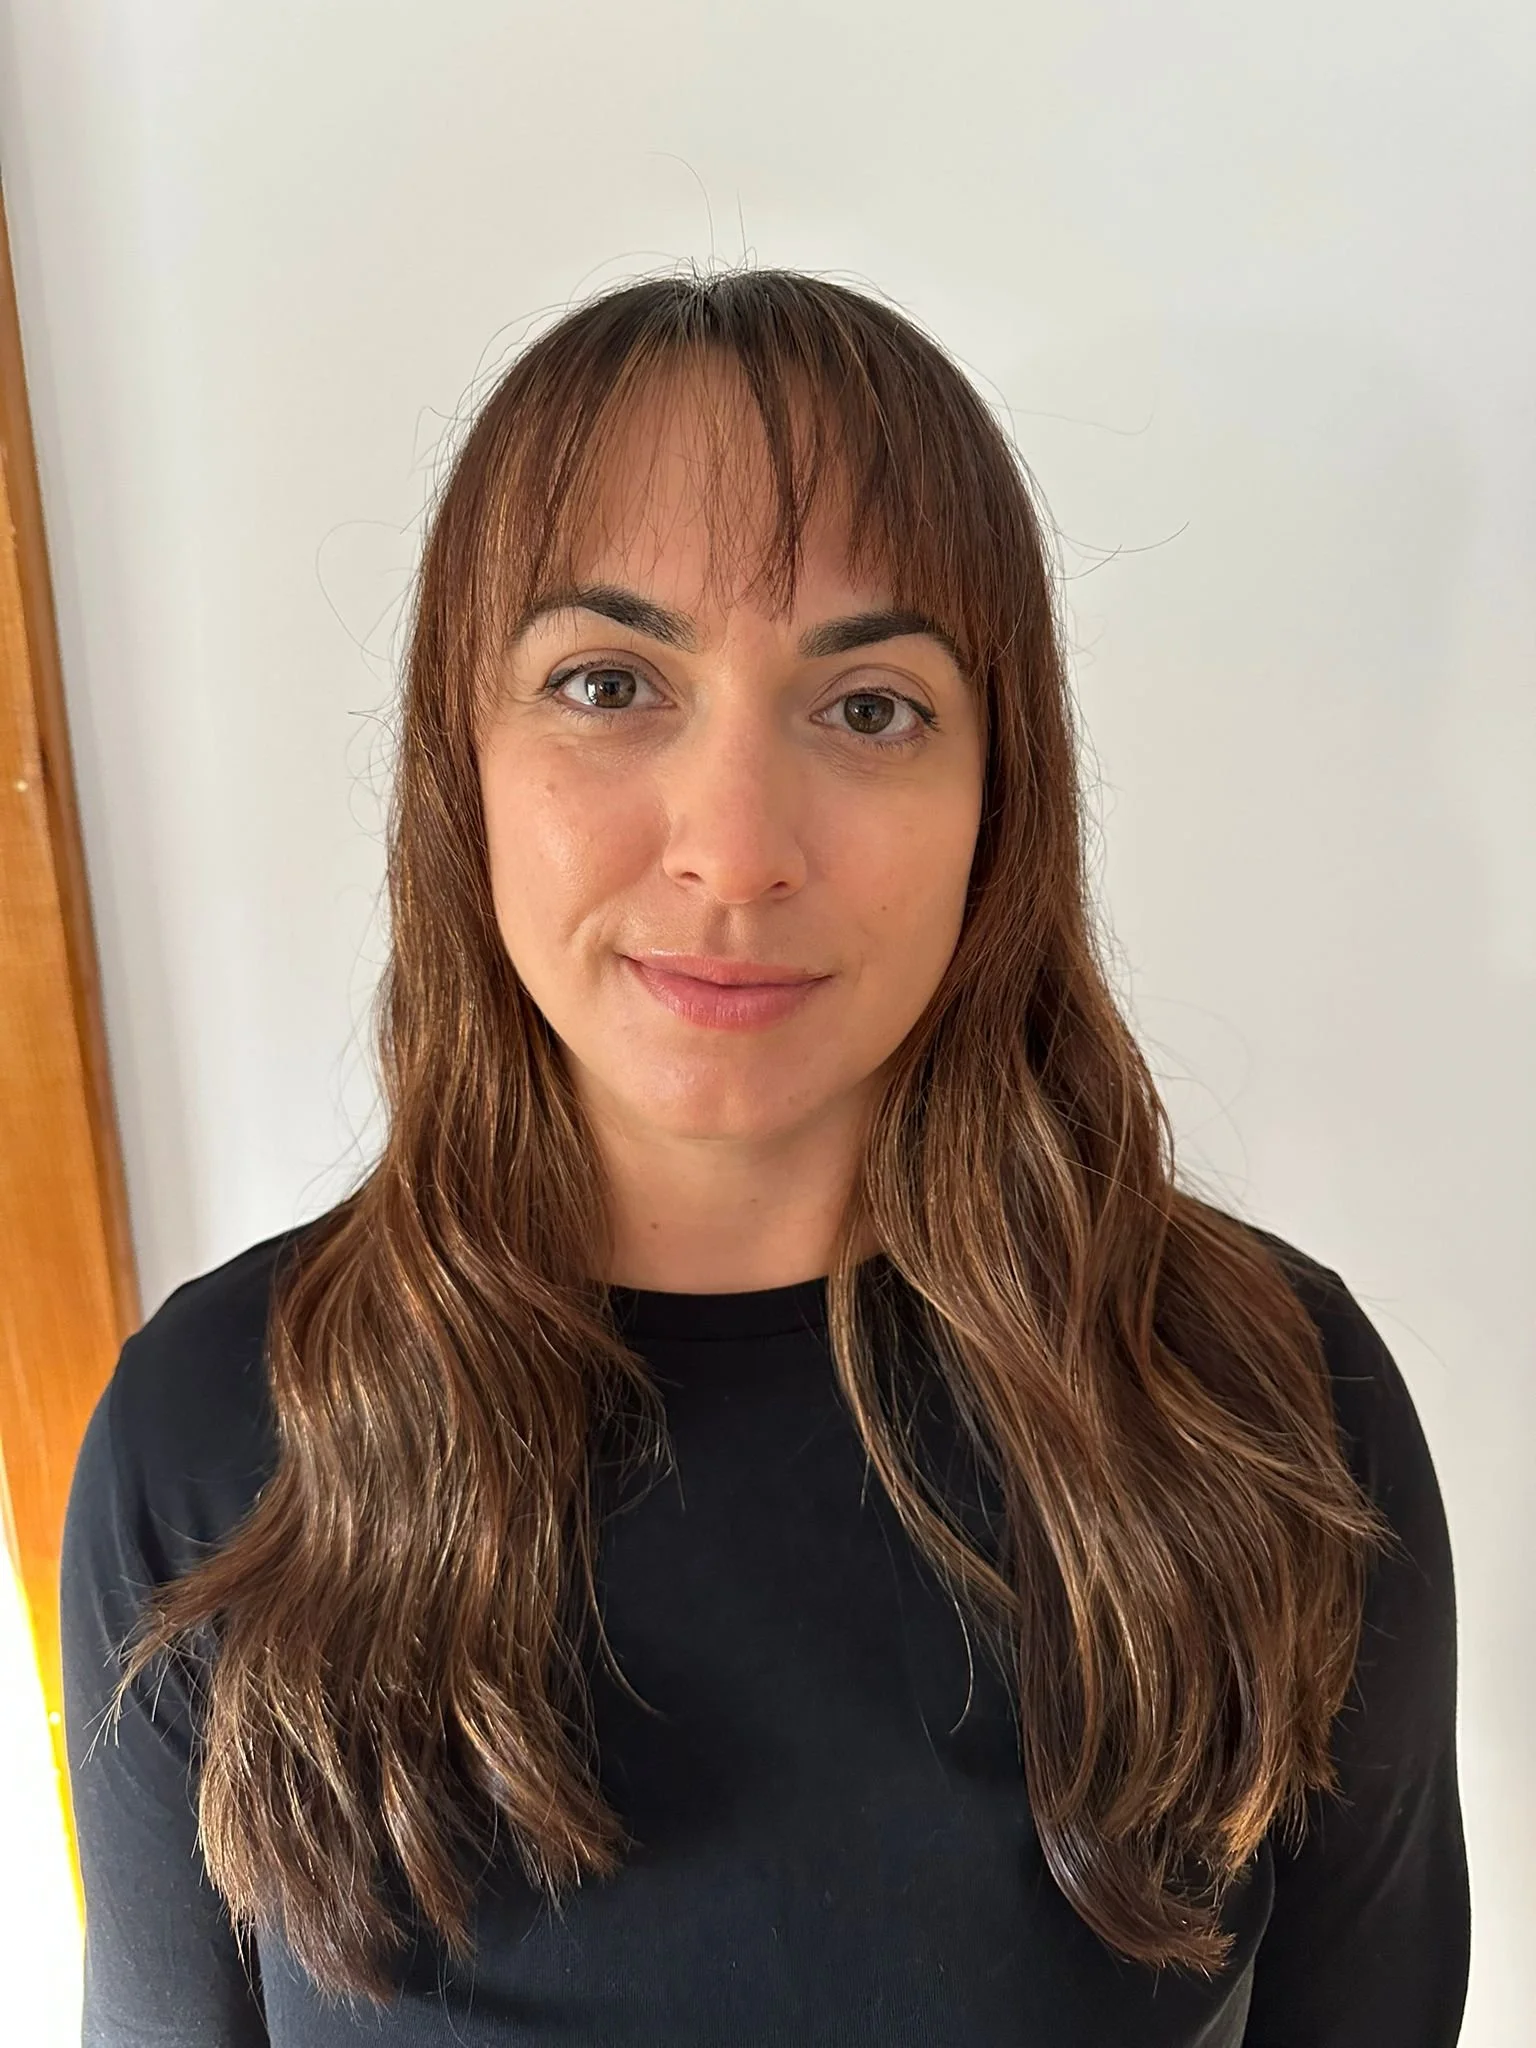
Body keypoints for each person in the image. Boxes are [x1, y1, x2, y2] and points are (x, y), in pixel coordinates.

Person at [60, 267, 1470, 2046]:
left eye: (868, 706)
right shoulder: (212, 1439)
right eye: (607, 681)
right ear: (459, 763)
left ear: (998, 793)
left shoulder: (1271, 1405)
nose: (736, 851)